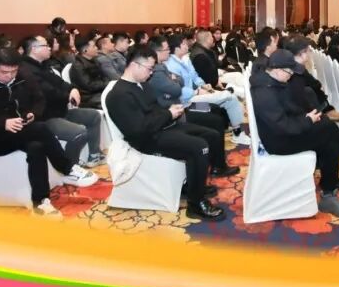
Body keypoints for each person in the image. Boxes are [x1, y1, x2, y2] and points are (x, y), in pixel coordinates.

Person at [0, 48, 97, 218]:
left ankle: (41, 203)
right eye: (4, 72)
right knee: (41, 129)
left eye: (13, 71)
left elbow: (39, 99)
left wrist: (33, 114)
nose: (10, 76)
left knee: (36, 147)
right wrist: (2, 123)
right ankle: (67, 168)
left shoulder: (22, 76)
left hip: (22, 131)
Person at [105, 46, 236, 221]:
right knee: (199, 147)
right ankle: (196, 204)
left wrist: (169, 111)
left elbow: (154, 110)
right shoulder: (119, 95)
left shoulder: (141, 84)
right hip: (146, 140)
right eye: (149, 69)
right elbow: (138, 129)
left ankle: (193, 185)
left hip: (161, 128)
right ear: (135, 65)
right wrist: (168, 114)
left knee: (211, 135)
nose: (151, 73)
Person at [249, 50, 339, 219]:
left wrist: (306, 117)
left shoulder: (273, 82)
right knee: (327, 128)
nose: (291, 76)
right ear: (277, 69)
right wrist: (307, 121)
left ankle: (331, 191)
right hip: (278, 142)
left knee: (330, 141)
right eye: (289, 72)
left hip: (284, 133)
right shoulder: (265, 93)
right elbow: (281, 126)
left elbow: (286, 112)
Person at [18, 35, 104, 169]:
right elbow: (48, 92)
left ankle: (94, 155)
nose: (49, 48)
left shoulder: (43, 65)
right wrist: (68, 95)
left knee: (93, 116)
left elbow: (60, 82)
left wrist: (72, 89)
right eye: (45, 45)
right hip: (46, 117)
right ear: (34, 49)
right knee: (79, 132)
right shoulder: (26, 70)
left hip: (60, 110)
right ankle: (69, 168)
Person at [166, 33, 249, 144]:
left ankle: (237, 132)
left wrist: (203, 84)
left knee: (230, 99)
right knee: (228, 96)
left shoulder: (185, 59)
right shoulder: (170, 65)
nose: (187, 46)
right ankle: (237, 132)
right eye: (184, 44)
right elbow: (178, 89)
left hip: (195, 95)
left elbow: (195, 76)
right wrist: (196, 92)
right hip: (187, 102)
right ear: (177, 48)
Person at [146, 36, 230, 138]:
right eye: (166, 49)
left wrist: (201, 85)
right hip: (183, 107)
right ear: (157, 52)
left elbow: (185, 79)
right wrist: (195, 91)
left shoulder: (168, 64)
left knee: (215, 109)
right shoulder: (161, 69)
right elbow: (177, 90)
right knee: (215, 119)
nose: (169, 51)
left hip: (184, 104)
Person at [283, 36, 339, 122]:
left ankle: (326, 110)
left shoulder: (295, 66)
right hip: (299, 114)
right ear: (302, 53)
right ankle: (325, 110)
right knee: (312, 90)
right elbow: (313, 85)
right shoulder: (295, 72)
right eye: (308, 50)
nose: (310, 52)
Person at [68, 35, 107, 108]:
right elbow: (89, 86)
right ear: (85, 50)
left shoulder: (95, 61)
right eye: (94, 46)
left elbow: (104, 76)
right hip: (88, 97)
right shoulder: (78, 66)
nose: (97, 48)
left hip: (100, 91)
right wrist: (106, 84)